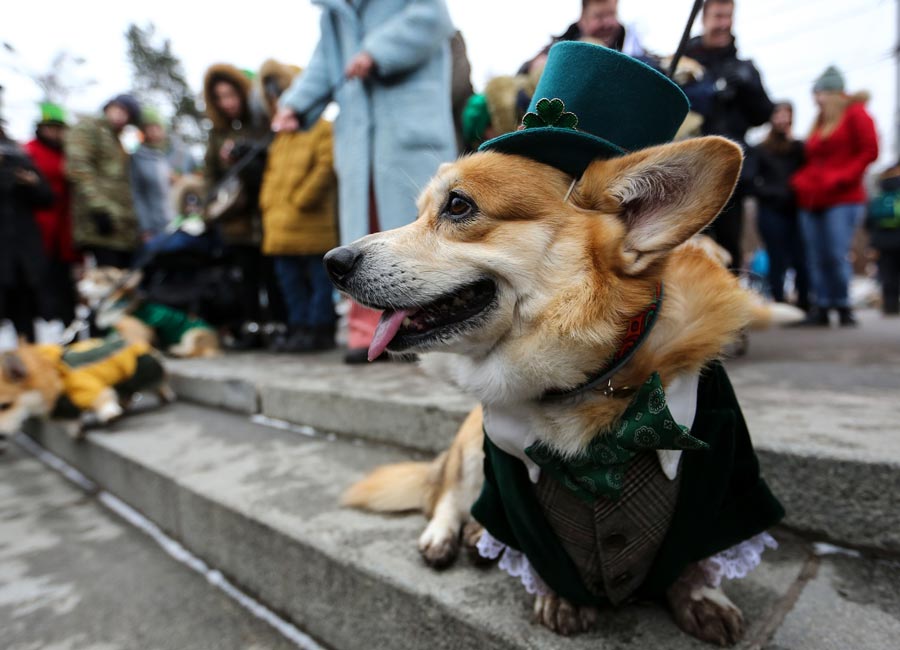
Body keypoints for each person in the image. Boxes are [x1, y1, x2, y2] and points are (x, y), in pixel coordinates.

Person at [273, 0, 457, 364]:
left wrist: (376, 52)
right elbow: (323, 65)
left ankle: (423, 328)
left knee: (415, 226)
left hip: (407, 132)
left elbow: (434, 19)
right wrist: (294, 104)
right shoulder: (333, 13)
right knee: (361, 230)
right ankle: (367, 329)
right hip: (359, 144)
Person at [681, 0, 774, 269]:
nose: (723, 23)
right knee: (692, 239)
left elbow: (763, 115)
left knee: (729, 242)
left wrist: (747, 88)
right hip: (692, 166)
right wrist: (708, 94)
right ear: (704, 18)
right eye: (718, 16)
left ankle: (728, 300)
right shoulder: (688, 62)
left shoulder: (744, 66)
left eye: (728, 17)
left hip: (732, 169)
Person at [258, 60, 338, 353]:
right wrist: (268, 205)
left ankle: (320, 329)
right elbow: (271, 176)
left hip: (309, 221)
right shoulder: (280, 138)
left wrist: (302, 200)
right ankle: (300, 328)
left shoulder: (322, 128)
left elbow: (326, 166)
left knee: (318, 282)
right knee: (290, 284)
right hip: (279, 226)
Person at [790, 66, 879, 327]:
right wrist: (800, 182)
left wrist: (840, 178)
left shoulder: (856, 114)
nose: (815, 99)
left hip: (843, 198)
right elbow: (812, 159)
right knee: (815, 255)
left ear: (833, 92)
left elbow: (869, 151)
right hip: (812, 199)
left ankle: (841, 304)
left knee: (835, 252)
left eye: (819, 93)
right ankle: (822, 304)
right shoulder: (820, 121)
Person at [202, 63, 273, 349]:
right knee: (246, 277)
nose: (227, 103)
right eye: (220, 97)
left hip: (265, 215)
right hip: (235, 220)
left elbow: (271, 170)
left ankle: (275, 326)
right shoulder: (217, 134)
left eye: (231, 95)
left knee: (271, 276)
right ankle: (251, 328)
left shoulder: (260, 126)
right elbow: (210, 176)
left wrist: (250, 158)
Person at [66, 94, 142, 269]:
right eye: (120, 109)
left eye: (127, 114)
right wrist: (98, 208)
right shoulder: (88, 128)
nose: (122, 117)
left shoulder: (121, 141)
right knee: (105, 282)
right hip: (99, 225)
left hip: (123, 229)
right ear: (109, 106)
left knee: (122, 285)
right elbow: (79, 169)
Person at [747, 102, 808, 309]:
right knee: (776, 256)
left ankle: (805, 301)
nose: (782, 119)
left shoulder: (798, 147)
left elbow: (807, 170)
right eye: (779, 114)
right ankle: (779, 299)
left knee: (801, 255)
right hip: (771, 210)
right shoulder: (761, 149)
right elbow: (751, 181)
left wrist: (794, 143)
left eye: (787, 115)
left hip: (796, 209)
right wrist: (772, 194)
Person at [23, 102, 79, 326]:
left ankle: (69, 329)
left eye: (59, 128)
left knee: (64, 281)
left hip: (64, 227)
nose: (55, 132)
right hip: (39, 227)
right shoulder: (29, 150)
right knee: (40, 281)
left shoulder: (67, 153)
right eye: (50, 127)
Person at [0, 121, 53, 342]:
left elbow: (47, 198)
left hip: (19, 253)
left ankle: (30, 362)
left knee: (24, 312)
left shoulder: (16, 157)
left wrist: (33, 183)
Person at [518, 0, 650, 75]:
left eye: (612, 15)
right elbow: (523, 70)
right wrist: (539, 65)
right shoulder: (560, 46)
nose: (607, 23)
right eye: (599, 17)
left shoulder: (631, 44)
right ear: (582, 21)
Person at [131, 106, 175, 243]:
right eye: (149, 128)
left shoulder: (173, 154)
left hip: (178, 224)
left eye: (157, 127)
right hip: (155, 228)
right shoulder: (137, 158)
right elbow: (137, 194)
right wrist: (146, 228)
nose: (154, 132)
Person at [867, 163, 900, 316]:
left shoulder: (878, 196)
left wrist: (872, 244)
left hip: (883, 242)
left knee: (887, 275)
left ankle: (890, 306)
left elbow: (868, 223)